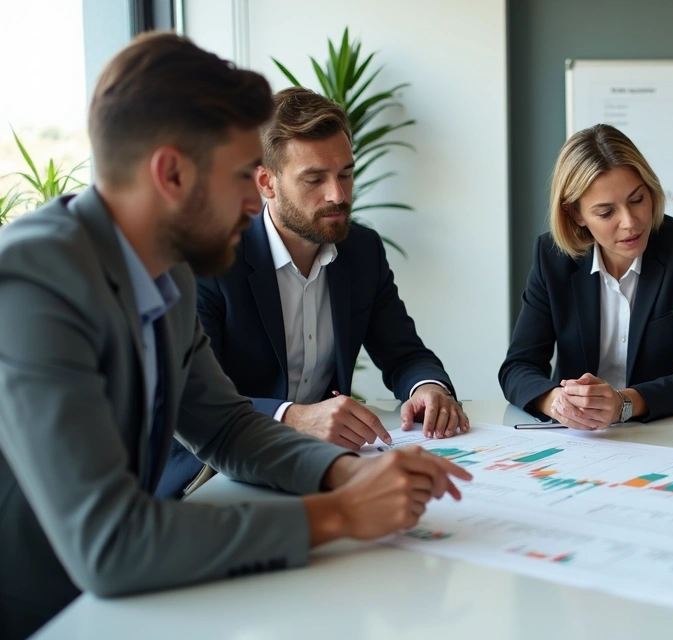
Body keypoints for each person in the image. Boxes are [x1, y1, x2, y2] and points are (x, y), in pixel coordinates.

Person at [0, 33, 470, 639]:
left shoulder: (165, 266)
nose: (256, 202)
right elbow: (109, 545)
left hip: (143, 595)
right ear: (170, 173)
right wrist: (337, 514)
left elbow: (223, 425)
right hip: (46, 610)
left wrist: (343, 473)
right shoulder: (33, 281)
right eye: (239, 176)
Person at [156, 88, 467, 499]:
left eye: (345, 174)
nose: (337, 195)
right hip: (210, 472)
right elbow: (194, 397)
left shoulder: (362, 251)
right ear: (266, 182)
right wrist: (292, 417)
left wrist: (428, 388)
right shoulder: (212, 259)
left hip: (315, 467)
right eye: (314, 179)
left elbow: (405, 353)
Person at [499, 124, 673, 429]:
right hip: (578, 439)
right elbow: (518, 367)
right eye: (606, 213)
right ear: (576, 214)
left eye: (637, 200)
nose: (630, 223)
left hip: (663, 432)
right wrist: (558, 403)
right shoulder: (552, 257)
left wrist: (624, 404)